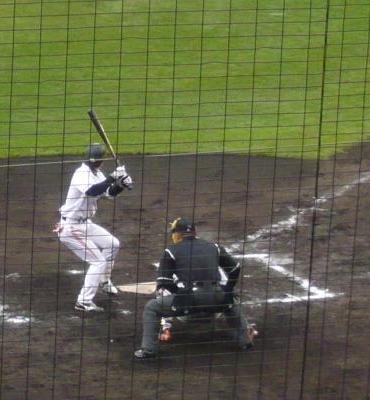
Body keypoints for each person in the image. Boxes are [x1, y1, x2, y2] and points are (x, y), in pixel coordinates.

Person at [134, 217, 254, 360]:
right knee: (232, 301)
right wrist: (228, 290)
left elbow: (164, 282)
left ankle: (149, 350)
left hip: (189, 301)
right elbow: (235, 269)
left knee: (152, 308)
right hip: (216, 298)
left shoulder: (171, 250)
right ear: (195, 232)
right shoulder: (214, 247)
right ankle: (245, 341)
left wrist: (180, 295)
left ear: (177, 234)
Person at [56, 144, 132, 311]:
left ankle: (104, 281)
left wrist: (121, 185)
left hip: (85, 224)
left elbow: (108, 194)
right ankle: (83, 301)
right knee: (98, 261)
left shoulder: (97, 174)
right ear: (101, 160)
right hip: (71, 227)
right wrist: (113, 177)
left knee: (113, 244)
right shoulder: (81, 173)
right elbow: (92, 191)